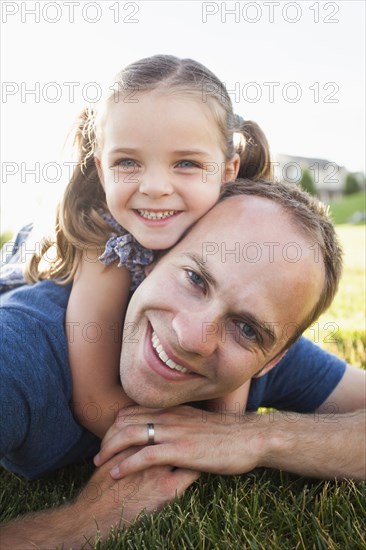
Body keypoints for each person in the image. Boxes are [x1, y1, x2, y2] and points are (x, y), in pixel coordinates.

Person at [1, 179, 365, 548]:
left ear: (271, 362)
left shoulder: (259, 352)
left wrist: (255, 436)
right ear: (152, 260)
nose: (192, 337)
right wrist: (79, 522)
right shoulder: (21, 348)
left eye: (246, 328)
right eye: (195, 279)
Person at [7, 55, 272, 439]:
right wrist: (182, 445)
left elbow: (226, 416)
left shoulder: (234, 237)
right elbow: (94, 401)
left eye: (186, 163)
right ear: (101, 169)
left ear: (228, 171)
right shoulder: (108, 246)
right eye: (128, 162)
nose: (154, 187)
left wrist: (219, 437)